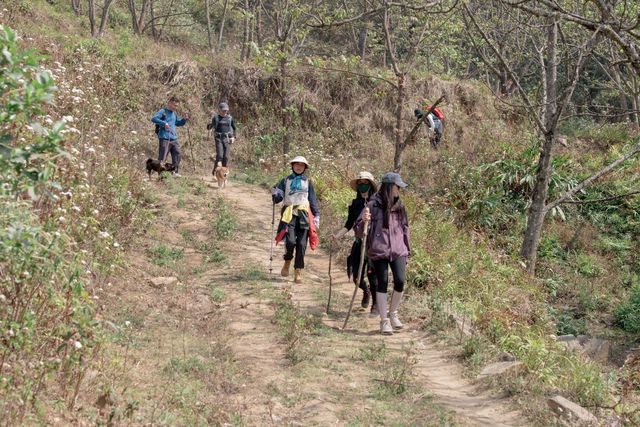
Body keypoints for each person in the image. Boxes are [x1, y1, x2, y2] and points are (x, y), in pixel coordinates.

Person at [356, 172, 410, 335]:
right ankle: (384, 321)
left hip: (398, 250)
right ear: (389, 187)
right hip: (379, 249)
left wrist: (407, 250)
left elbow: (405, 229)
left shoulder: (400, 206)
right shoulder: (373, 205)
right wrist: (364, 221)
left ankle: (393, 313)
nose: (399, 190)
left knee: (400, 281)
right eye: (397, 187)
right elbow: (359, 230)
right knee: (382, 283)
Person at [332, 171, 379, 314]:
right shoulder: (355, 204)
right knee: (356, 276)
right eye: (360, 183)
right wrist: (337, 236)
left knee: (372, 274)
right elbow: (349, 224)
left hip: (373, 245)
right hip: (359, 243)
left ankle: (375, 304)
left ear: (370, 185)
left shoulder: (377, 203)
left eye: (365, 183)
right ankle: (366, 291)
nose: (363, 186)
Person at [271, 156, 320, 284]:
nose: (299, 167)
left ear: (305, 168)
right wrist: (275, 194)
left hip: (303, 215)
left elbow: (312, 199)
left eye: (301, 165)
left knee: (302, 244)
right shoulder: (286, 180)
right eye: (296, 164)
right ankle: (287, 261)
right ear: (292, 166)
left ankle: (298, 271)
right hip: (289, 214)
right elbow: (279, 197)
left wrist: (316, 215)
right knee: (291, 241)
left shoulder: (308, 182)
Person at [151, 96, 188, 176]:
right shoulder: (163, 111)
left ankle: (174, 172)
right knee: (162, 157)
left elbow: (178, 123)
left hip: (174, 139)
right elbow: (154, 119)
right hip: (164, 138)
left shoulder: (174, 113)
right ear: (170, 103)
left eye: (177, 106)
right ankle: (161, 175)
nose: (176, 107)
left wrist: (184, 119)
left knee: (178, 154)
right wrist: (164, 123)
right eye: (175, 105)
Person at [207, 102, 236, 175]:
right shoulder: (216, 118)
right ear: (219, 110)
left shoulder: (230, 118)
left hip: (227, 139)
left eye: (226, 110)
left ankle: (223, 172)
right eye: (223, 110)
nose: (224, 112)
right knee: (220, 155)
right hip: (218, 138)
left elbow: (234, 128)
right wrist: (209, 124)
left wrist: (234, 137)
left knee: (226, 157)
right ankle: (215, 172)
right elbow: (210, 127)